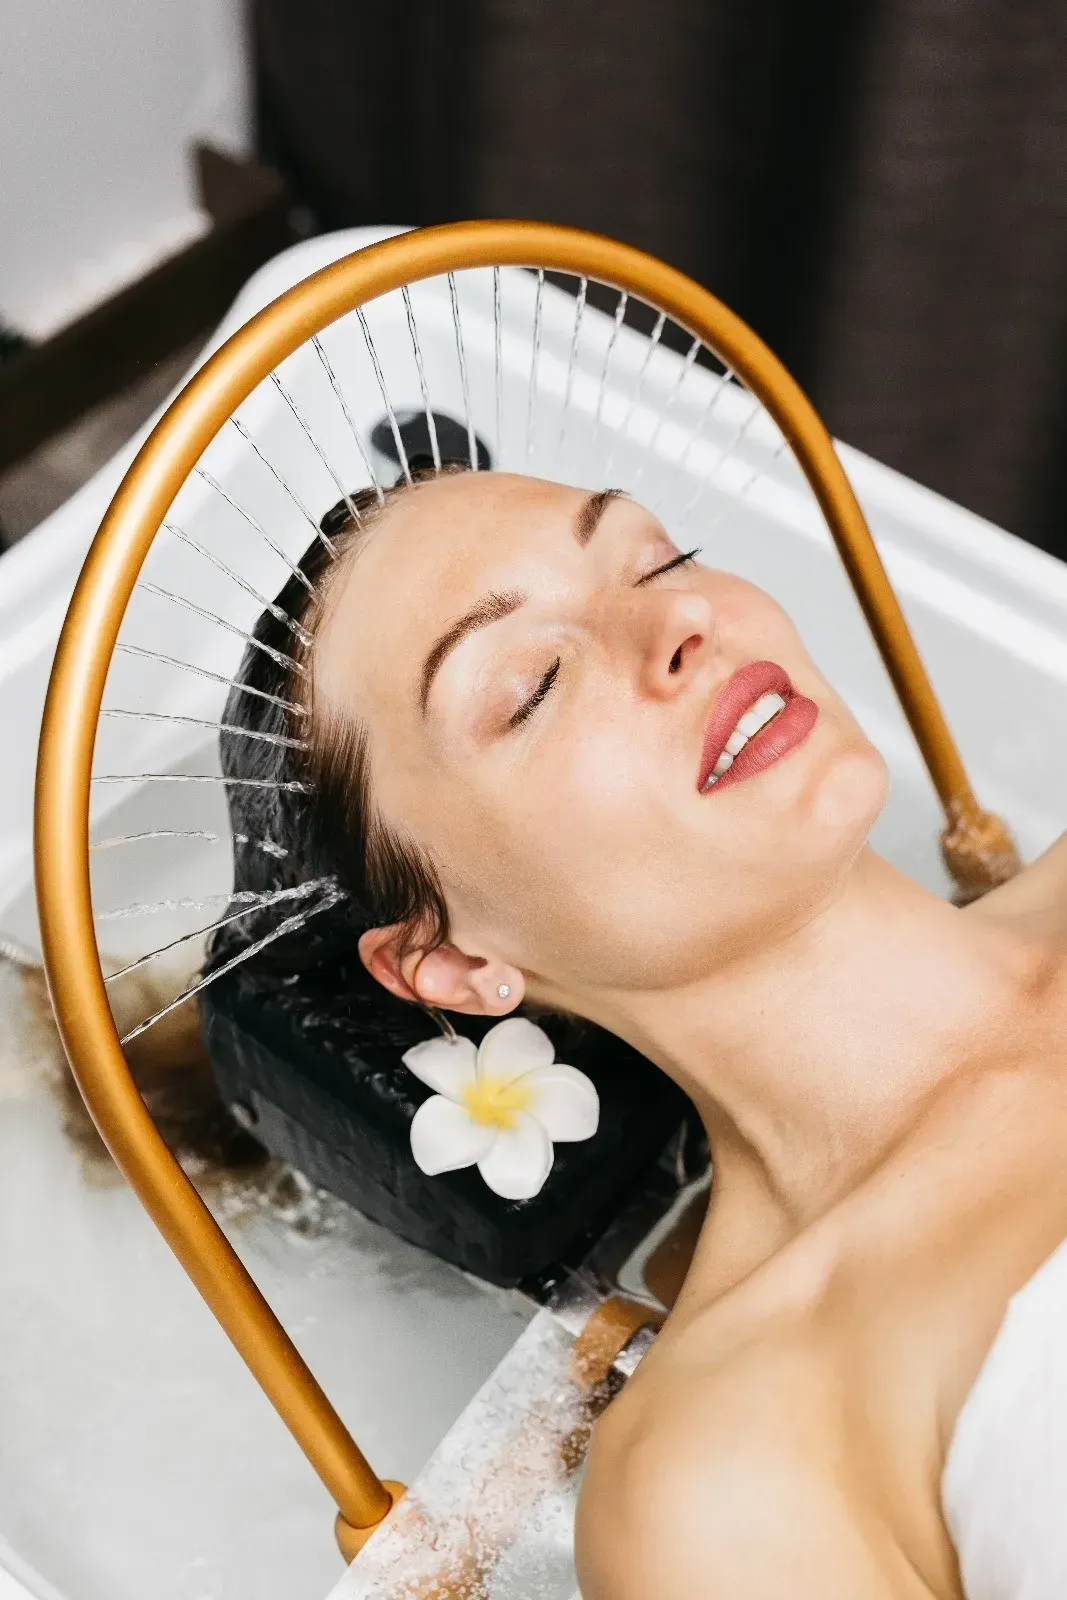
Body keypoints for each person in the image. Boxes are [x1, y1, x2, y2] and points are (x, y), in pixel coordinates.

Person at [223, 463, 1067, 1598]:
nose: (677, 620)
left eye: (656, 556)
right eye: (531, 685)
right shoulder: (724, 1473)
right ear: (454, 962)